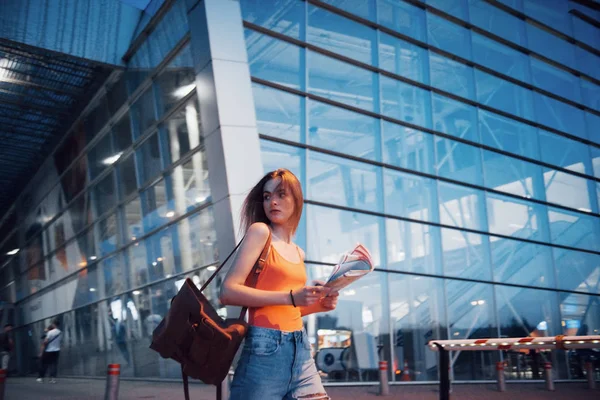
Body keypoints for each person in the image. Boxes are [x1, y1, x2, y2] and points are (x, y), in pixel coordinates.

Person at [220, 168, 338, 400]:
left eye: (281, 194)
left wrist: (321, 304)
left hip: (300, 348)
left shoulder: (298, 252)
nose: (272, 201)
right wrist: (292, 297)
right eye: (267, 196)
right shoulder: (260, 232)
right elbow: (227, 291)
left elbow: (289, 308)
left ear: (297, 199)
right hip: (265, 350)